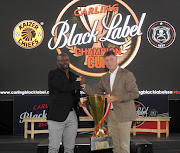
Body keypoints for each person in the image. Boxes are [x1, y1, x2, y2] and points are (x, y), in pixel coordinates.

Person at [80, 51, 139, 153]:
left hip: (125, 114)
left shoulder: (127, 74)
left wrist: (116, 98)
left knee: (124, 146)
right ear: (104, 63)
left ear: (116, 60)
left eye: (111, 59)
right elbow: (95, 93)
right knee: (115, 146)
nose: (109, 62)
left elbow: (134, 94)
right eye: (107, 60)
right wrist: (84, 86)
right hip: (111, 115)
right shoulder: (105, 78)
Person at [47, 53, 82, 153]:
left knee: (70, 148)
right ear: (57, 62)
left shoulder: (74, 76)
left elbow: (75, 96)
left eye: (66, 60)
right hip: (56, 116)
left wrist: (79, 102)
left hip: (72, 115)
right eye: (62, 60)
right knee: (54, 148)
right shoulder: (53, 74)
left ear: (69, 61)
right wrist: (79, 83)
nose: (64, 62)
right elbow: (63, 87)